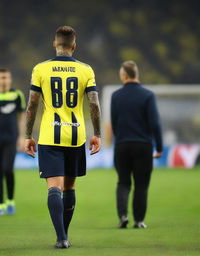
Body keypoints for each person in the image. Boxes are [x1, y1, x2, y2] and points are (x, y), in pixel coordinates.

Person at [24, 26, 101, 249]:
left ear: (54, 44)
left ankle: (61, 238)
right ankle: (65, 234)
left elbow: (32, 105)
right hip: (76, 136)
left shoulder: (40, 69)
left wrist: (28, 135)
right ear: (74, 46)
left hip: (50, 135)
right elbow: (94, 103)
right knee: (69, 188)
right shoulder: (86, 70)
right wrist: (96, 134)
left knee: (53, 189)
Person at [110, 61, 163, 229]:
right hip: (143, 146)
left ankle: (123, 216)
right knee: (141, 184)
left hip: (122, 145)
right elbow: (155, 123)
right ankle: (139, 220)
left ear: (124, 75)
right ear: (136, 75)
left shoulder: (116, 95)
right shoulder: (148, 95)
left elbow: (114, 122)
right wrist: (159, 146)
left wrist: (120, 141)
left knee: (123, 182)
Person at [0, 68, 26, 215]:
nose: (4, 80)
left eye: (6, 77)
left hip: (11, 138)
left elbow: (22, 117)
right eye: (1, 78)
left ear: (10, 79)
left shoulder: (17, 95)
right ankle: (0, 204)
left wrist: (21, 137)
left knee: (8, 169)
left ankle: (10, 201)